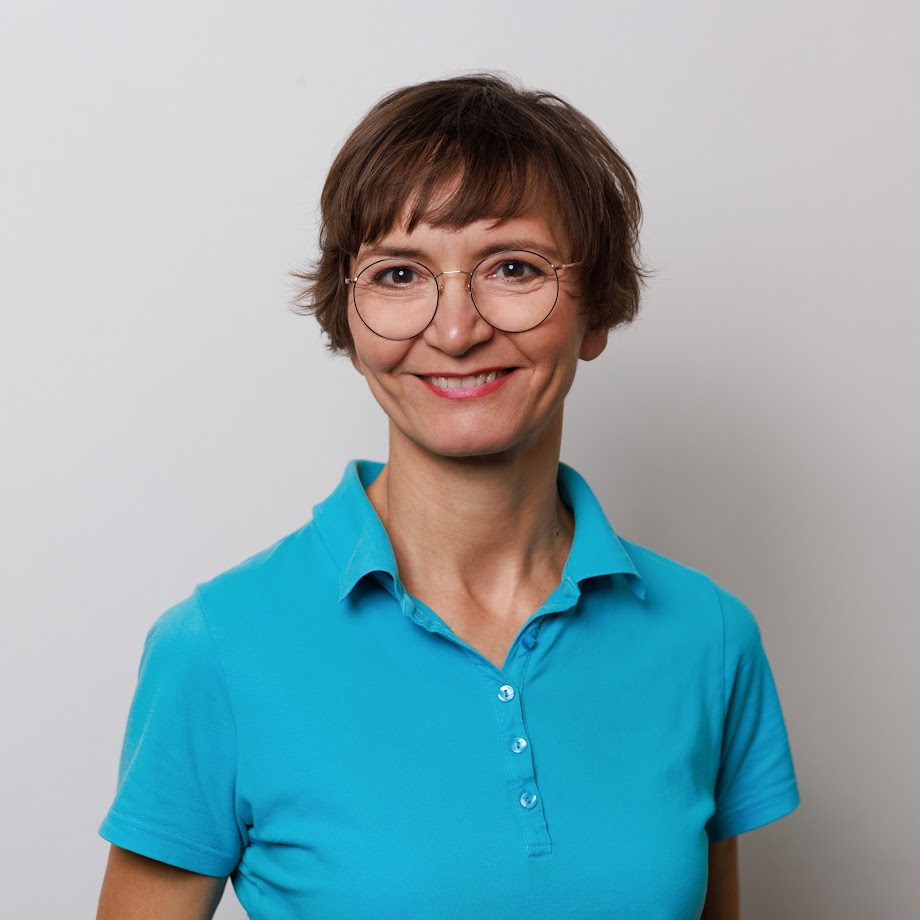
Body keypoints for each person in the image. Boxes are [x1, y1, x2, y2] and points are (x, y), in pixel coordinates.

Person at [97, 74, 799, 919]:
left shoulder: (709, 637)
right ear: (348, 318)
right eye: (399, 274)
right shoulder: (216, 647)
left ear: (598, 310)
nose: (457, 330)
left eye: (514, 268)